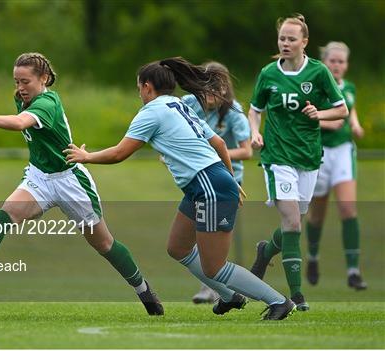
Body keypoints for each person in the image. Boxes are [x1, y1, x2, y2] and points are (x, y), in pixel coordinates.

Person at [65, 56, 295, 320]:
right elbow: (219, 143)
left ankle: (278, 301)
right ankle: (231, 296)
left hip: (208, 185)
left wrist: (87, 157)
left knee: (214, 267)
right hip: (207, 184)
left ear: (147, 86)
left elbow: (120, 153)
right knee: (178, 247)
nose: (139, 93)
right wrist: (230, 179)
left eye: (139, 87)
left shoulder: (152, 111)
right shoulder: (177, 104)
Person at [0, 52, 164, 316]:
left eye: (25, 81)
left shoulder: (47, 103)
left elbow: (19, 124)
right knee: (8, 212)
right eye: (16, 81)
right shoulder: (22, 98)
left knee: (104, 244)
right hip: (39, 177)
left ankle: (143, 290)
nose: (19, 88)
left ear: (44, 78)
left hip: (70, 180)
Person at [247, 14, 349, 311]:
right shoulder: (268, 73)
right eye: (282, 38)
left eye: (292, 39)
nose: (286, 43)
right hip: (278, 157)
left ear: (304, 42)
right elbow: (255, 110)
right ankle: (297, 296)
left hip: (309, 156)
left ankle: (266, 252)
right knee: (291, 221)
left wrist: (320, 114)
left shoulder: (318, 73)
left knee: (295, 225)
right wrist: (255, 132)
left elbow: (340, 110)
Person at [180, 62, 252, 304]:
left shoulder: (234, 112)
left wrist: (214, 155)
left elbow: (246, 151)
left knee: (211, 237)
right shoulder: (188, 103)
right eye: (206, 88)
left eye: (216, 89)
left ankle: (214, 290)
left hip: (227, 181)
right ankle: (220, 291)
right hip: (197, 180)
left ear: (225, 89)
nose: (210, 95)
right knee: (196, 238)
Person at [306, 42, 367, 290]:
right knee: (317, 214)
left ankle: (353, 270)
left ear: (346, 65)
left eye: (341, 61)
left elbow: (348, 110)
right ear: (325, 62)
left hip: (343, 152)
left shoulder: (349, 88)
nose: (337, 65)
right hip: (320, 152)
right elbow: (308, 116)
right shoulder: (317, 86)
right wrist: (327, 122)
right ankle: (312, 257)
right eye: (333, 61)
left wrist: (355, 124)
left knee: (348, 209)